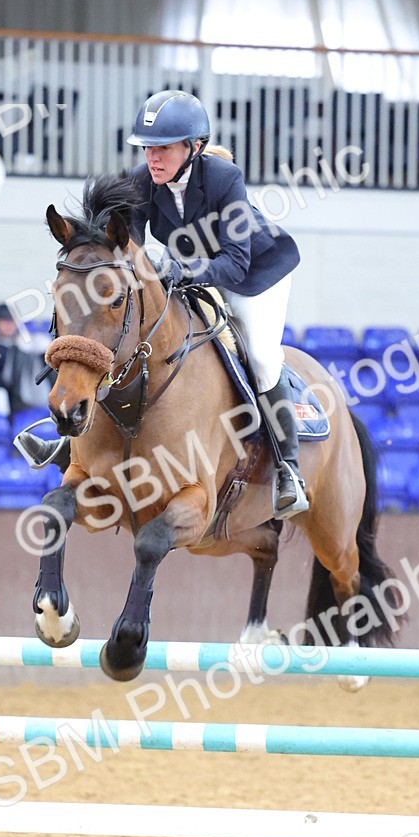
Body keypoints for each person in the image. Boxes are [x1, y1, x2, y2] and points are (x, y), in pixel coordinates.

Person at [125, 89, 307, 519]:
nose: (153, 157)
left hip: (256, 275)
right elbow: (129, 247)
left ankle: (289, 470)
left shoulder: (225, 178)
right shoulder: (141, 181)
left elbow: (236, 262)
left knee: (261, 358)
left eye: (164, 148)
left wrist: (181, 270)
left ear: (194, 147)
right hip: (194, 271)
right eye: (148, 148)